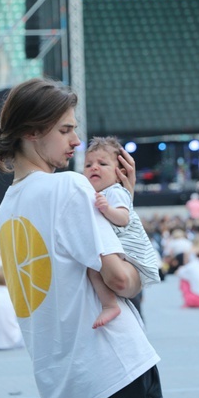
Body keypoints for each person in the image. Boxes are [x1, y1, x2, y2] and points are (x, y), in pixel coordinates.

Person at [0, 78, 169, 398]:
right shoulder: (69, 186)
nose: (75, 141)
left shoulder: (5, 210)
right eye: (66, 129)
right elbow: (120, 279)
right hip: (114, 370)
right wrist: (127, 214)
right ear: (33, 131)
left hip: (65, 389)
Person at [83, 136, 160, 328]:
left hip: (129, 251)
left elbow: (123, 218)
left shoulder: (115, 192)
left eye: (102, 163)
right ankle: (110, 304)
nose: (94, 167)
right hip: (119, 253)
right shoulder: (97, 194)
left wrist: (107, 209)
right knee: (93, 270)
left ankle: (109, 305)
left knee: (94, 268)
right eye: (88, 165)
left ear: (119, 173)